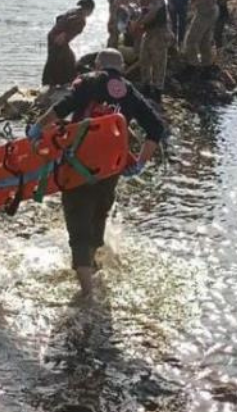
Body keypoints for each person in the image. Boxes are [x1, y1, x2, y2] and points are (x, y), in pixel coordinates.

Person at [26, 49, 166, 298]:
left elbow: (61, 108)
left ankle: (87, 295)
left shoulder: (89, 82)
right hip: (109, 170)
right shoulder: (130, 92)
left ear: (99, 64)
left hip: (77, 166)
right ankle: (92, 269)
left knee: (78, 226)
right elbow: (156, 129)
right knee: (98, 217)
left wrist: (37, 127)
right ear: (121, 67)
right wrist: (140, 163)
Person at [132, 0, 171, 102]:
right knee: (144, 59)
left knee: (158, 62)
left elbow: (152, 13)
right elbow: (140, 13)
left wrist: (138, 23)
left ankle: (157, 91)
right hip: (148, 32)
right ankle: (146, 86)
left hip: (159, 31)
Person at [42, 0, 96, 87]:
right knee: (61, 60)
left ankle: (54, 82)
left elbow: (59, 18)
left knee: (64, 59)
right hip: (58, 38)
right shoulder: (80, 19)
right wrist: (62, 36)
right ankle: (57, 82)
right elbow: (70, 22)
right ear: (88, 9)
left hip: (54, 36)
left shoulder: (74, 11)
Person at [181, 0, 219, 72]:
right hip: (207, 9)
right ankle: (207, 65)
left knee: (191, 40)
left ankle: (193, 66)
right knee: (204, 41)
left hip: (206, 10)